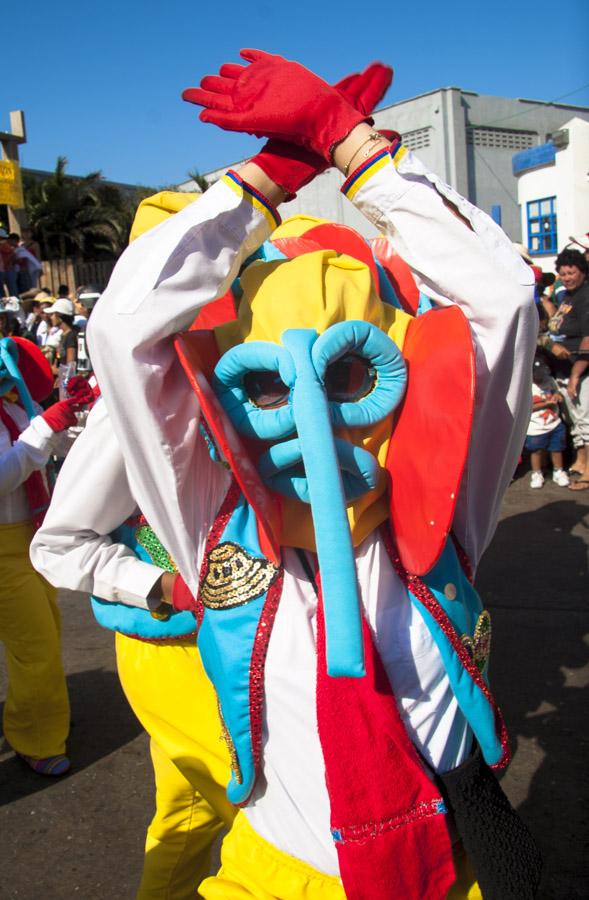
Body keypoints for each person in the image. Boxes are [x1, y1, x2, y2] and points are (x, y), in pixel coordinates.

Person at [88, 51, 541, 899]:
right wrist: (267, 178)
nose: (309, 418)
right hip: (274, 878)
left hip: (445, 872)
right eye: (265, 385)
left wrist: (351, 145)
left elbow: (504, 299)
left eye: (348, 378)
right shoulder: (211, 528)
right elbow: (122, 333)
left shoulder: (440, 519)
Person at [30, 63, 395, 900]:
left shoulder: (257, 367)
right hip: (185, 652)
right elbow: (63, 544)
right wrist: (168, 584)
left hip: (275, 641)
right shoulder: (144, 408)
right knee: (224, 818)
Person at [0, 336, 91, 775]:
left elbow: (41, 456)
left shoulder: (13, 404)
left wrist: (68, 415)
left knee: (47, 634)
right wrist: (44, 428)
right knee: (34, 648)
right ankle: (36, 737)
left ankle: (43, 713)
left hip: (31, 537)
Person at [540, 248, 589, 490]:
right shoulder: (567, 297)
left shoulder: (585, 297)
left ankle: (588, 472)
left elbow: (588, 339)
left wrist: (576, 375)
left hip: (579, 370)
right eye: (563, 273)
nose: (567, 277)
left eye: (572, 272)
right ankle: (580, 462)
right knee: (575, 420)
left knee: (585, 421)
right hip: (564, 370)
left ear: (582, 272)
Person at [525, 351, 570, 488]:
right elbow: (528, 407)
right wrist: (547, 403)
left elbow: (557, 394)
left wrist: (557, 397)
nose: (539, 375)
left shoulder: (550, 380)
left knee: (557, 449)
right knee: (536, 451)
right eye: (535, 372)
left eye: (541, 371)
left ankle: (558, 471)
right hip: (536, 427)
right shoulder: (527, 385)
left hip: (554, 423)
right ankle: (537, 473)